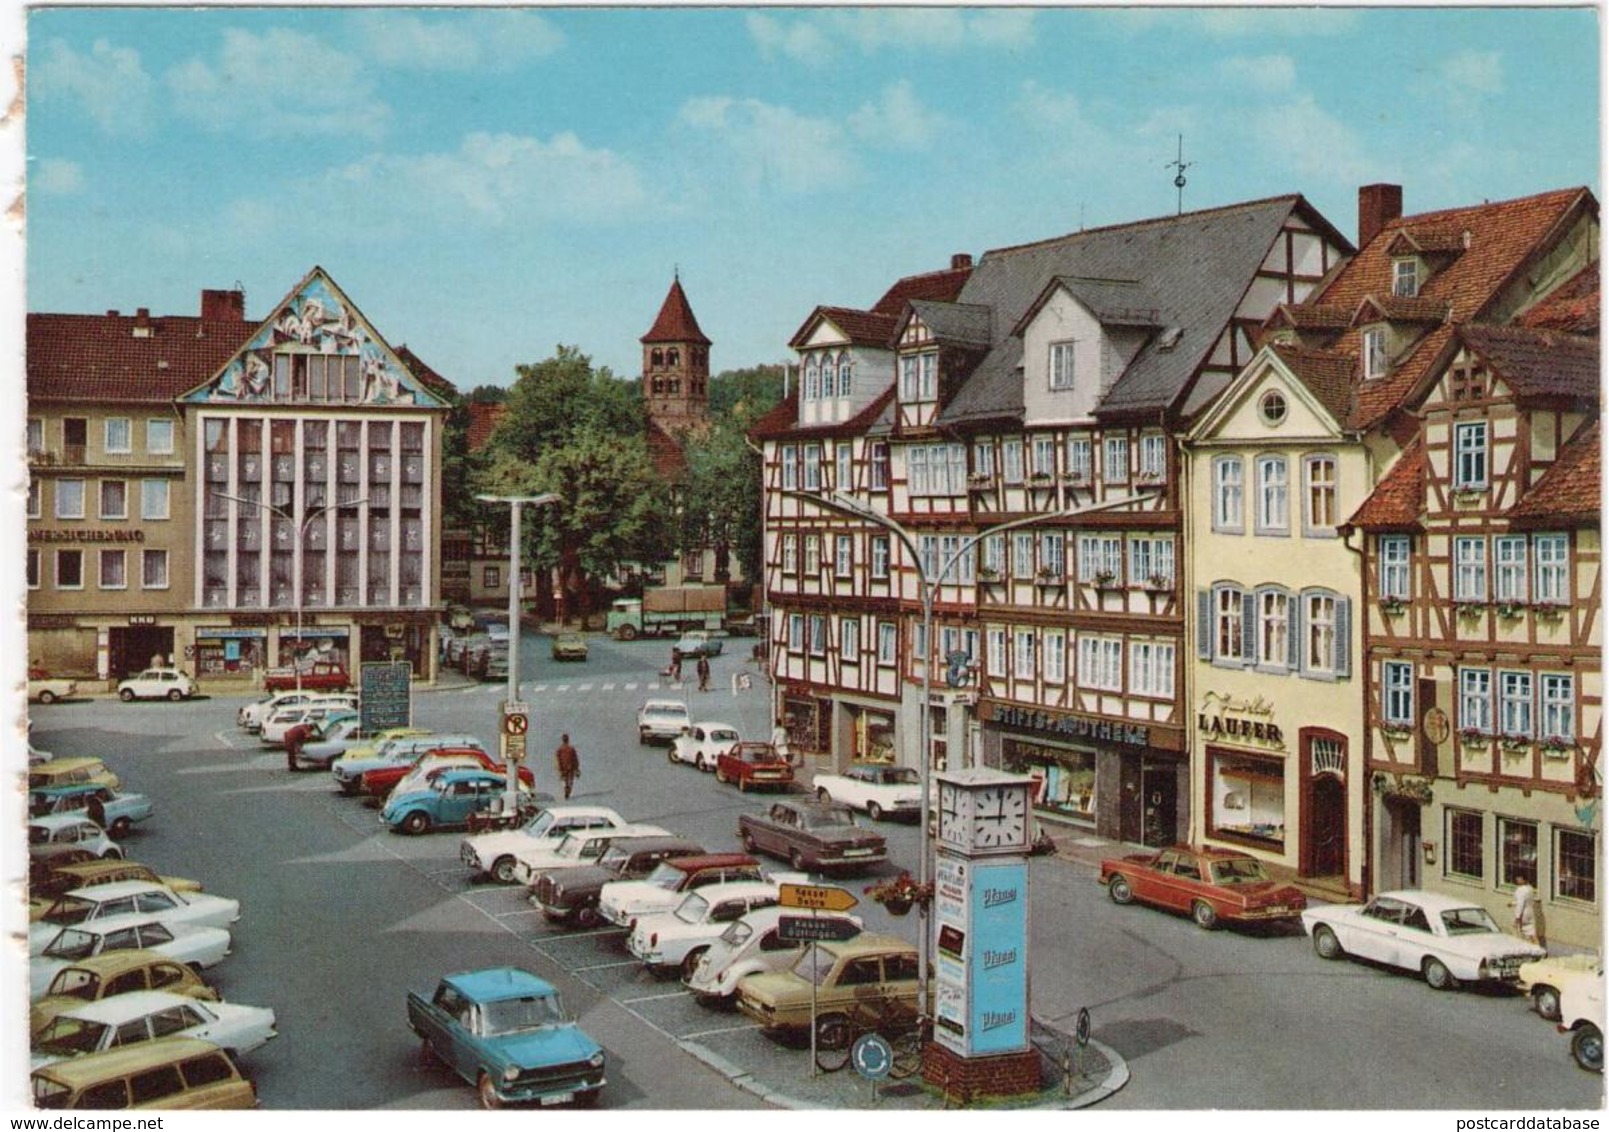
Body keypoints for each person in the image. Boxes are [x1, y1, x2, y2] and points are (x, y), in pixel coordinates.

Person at [1512, 870, 1543, 947]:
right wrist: (1513, 903)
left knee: (1518, 932)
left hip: (1523, 914)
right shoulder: (1530, 888)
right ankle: (1538, 948)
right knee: (1532, 932)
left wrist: (1517, 917)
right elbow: (1527, 901)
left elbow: (1520, 903)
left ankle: (1519, 948)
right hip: (1530, 912)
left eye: (1519, 878)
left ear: (1522, 879)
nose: (1517, 879)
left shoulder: (1521, 890)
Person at [555, 733, 580, 800]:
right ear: (568, 740)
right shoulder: (571, 749)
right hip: (570, 768)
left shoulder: (559, 750)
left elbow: (558, 760)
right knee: (569, 781)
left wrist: (559, 769)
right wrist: (577, 769)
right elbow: (575, 759)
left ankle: (566, 791)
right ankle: (567, 792)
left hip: (563, 769)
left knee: (565, 781)